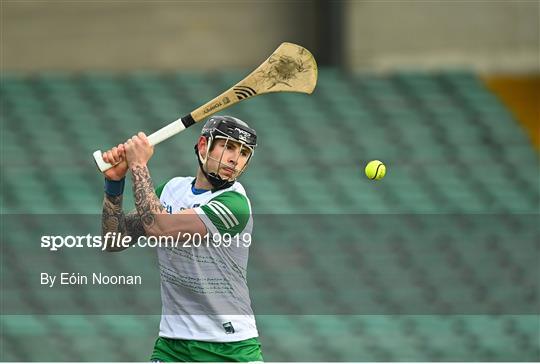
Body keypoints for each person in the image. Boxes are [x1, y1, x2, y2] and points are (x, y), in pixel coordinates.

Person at [100, 115, 263, 362]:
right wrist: (114, 182)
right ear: (202, 146)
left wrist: (138, 165)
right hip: (172, 344)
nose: (234, 159)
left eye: (243, 153)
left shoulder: (235, 204)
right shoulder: (171, 190)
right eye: (228, 146)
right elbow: (114, 241)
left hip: (229, 346)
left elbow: (160, 228)